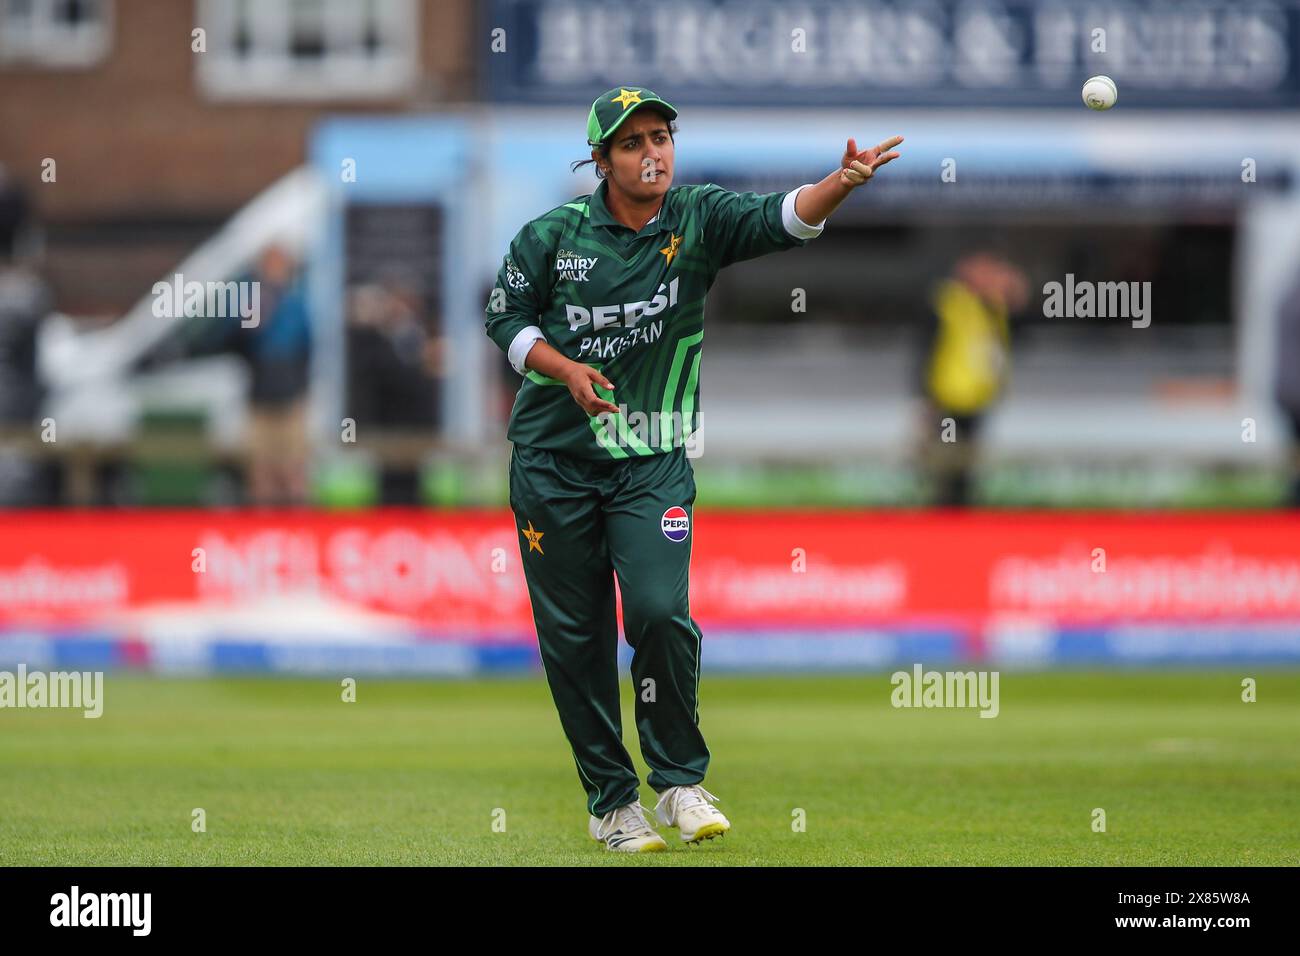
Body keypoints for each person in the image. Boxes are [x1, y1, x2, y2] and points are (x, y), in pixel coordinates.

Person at [484, 85, 902, 851]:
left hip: (652, 458)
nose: (653, 154)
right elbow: (503, 318)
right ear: (603, 160)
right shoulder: (551, 236)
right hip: (553, 464)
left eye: (661, 138)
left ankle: (678, 781)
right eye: (634, 143)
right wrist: (563, 368)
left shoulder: (700, 218)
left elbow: (784, 217)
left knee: (657, 614)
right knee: (575, 642)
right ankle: (612, 804)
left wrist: (842, 182)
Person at [914, 251, 1029, 506]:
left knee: (968, 465)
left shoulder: (992, 307)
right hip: (949, 399)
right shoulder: (949, 302)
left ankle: (960, 516)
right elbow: (926, 349)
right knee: (946, 461)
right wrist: (925, 397)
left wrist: (1016, 295)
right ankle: (942, 517)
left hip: (977, 400)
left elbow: (1014, 337)